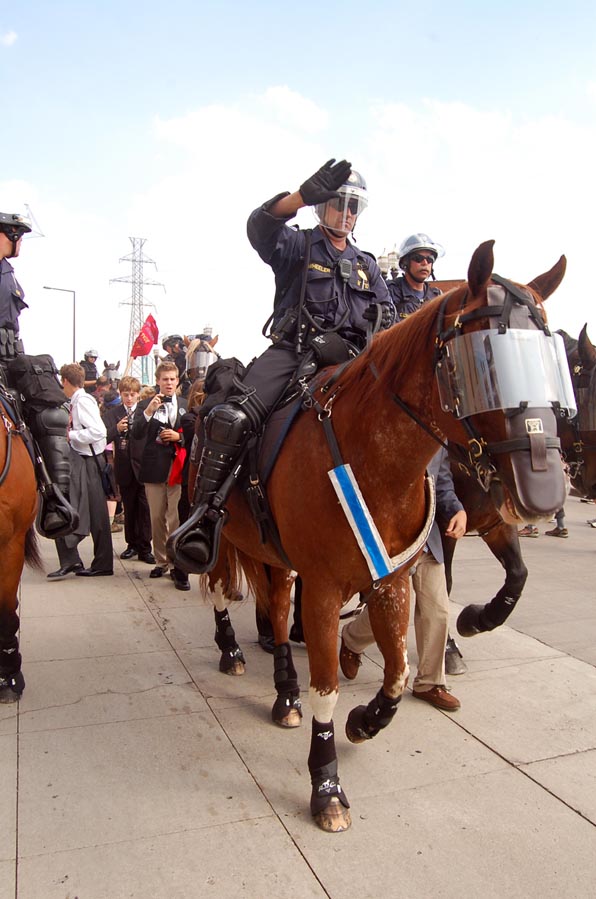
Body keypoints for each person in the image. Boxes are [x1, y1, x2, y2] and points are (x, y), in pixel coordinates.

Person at [173, 158, 395, 573]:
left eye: (353, 207)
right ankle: (203, 520)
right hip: (295, 352)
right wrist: (299, 197)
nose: (346, 213)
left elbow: (390, 314)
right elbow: (260, 229)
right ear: (322, 205)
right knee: (231, 419)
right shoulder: (299, 246)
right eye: (338, 203)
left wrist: (374, 328)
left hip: (353, 360)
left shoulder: (368, 266)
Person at [339, 447, 466, 711]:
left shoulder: (439, 437)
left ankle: (430, 683)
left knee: (438, 610)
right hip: (392, 541)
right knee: (390, 612)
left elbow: (442, 482)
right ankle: (352, 639)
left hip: (428, 541)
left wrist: (457, 510)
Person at [0, 210, 76, 536]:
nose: (20, 242)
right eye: (17, 235)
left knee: (51, 412)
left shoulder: (7, 272)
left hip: (9, 358)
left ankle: (54, 501)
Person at [47, 363, 114, 578]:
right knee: (93, 513)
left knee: (94, 513)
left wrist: (71, 436)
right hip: (86, 460)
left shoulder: (82, 402)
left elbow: (99, 431)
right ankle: (92, 561)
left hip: (89, 461)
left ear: (65, 381)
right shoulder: (78, 401)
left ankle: (99, 563)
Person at [131, 361, 189, 590]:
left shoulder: (185, 404)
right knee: (156, 518)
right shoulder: (145, 404)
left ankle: (176, 564)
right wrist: (148, 411)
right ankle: (161, 561)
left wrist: (179, 437)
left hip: (177, 469)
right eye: (165, 379)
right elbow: (136, 433)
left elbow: (194, 434)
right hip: (154, 468)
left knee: (175, 519)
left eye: (172, 379)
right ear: (158, 381)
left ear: (177, 381)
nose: (169, 383)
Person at [103, 377, 155, 562]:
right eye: (126, 395)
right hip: (124, 467)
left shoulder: (144, 411)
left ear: (138, 395)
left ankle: (145, 547)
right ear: (121, 394)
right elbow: (103, 437)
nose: (129, 398)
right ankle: (131, 544)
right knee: (129, 507)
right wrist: (116, 429)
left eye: (132, 395)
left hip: (143, 467)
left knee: (145, 509)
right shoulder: (113, 414)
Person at [388, 233, 445, 320]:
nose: (425, 263)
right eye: (418, 258)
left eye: (430, 259)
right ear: (405, 262)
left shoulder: (436, 297)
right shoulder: (390, 291)